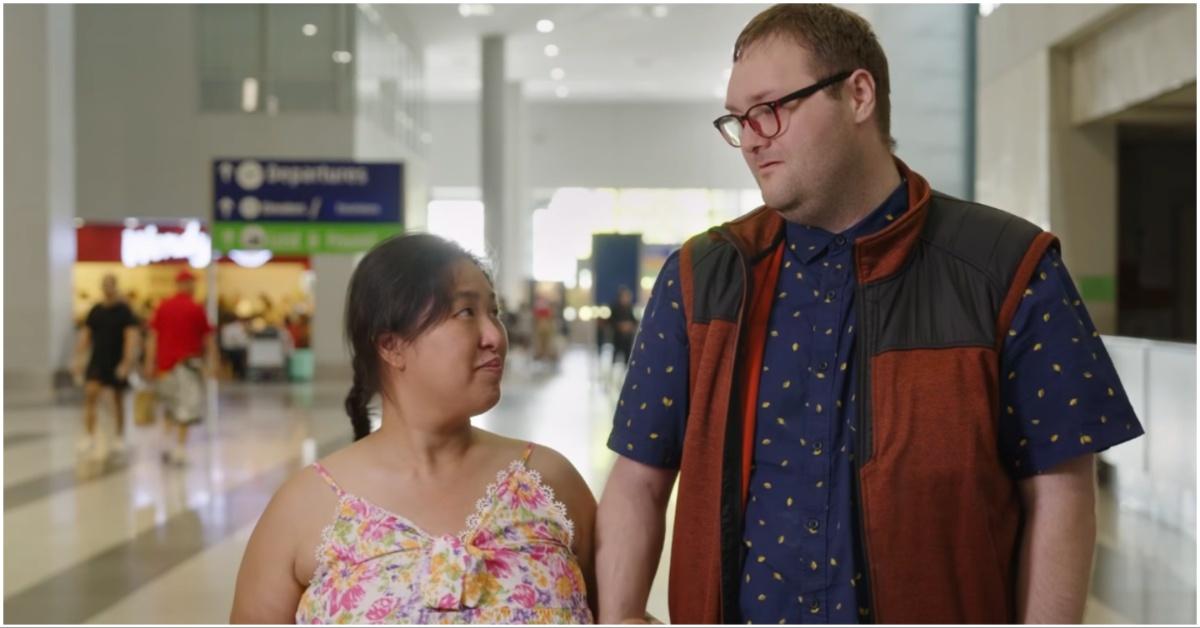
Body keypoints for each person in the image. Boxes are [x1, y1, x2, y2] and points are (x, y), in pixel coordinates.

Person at [594, 5, 1144, 625]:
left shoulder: (1009, 267)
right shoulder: (701, 278)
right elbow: (638, 478)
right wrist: (620, 616)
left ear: (858, 95)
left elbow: (1060, 491)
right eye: (738, 119)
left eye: (770, 108)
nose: (751, 138)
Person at [230, 234, 596, 624]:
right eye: (466, 313)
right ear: (391, 346)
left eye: (494, 312)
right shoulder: (304, 508)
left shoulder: (551, 483)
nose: (494, 336)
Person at [143, 268, 217, 466]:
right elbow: (208, 338)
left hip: (164, 367)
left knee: (169, 405)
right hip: (187, 366)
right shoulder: (196, 308)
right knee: (185, 407)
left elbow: (152, 337)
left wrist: (149, 363)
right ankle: (180, 447)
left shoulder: (163, 307)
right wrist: (213, 364)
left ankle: (168, 443)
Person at [71, 273, 140, 462]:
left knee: (117, 399)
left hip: (116, 359)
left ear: (116, 286)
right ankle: (89, 435)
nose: (108, 288)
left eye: (110, 285)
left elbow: (130, 337)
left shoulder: (124, 311)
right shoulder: (96, 311)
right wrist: (78, 359)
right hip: (98, 359)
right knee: (90, 395)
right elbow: (86, 335)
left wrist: (126, 362)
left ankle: (119, 436)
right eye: (105, 285)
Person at [608, 286, 638, 366]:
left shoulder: (630, 308)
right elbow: (611, 322)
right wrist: (620, 326)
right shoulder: (615, 308)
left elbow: (634, 321)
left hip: (627, 339)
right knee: (615, 357)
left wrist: (630, 326)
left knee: (627, 358)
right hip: (617, 338)